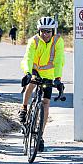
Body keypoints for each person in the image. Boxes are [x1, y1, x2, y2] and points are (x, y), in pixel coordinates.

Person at [19, 16, 65, 152]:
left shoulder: (58, 41)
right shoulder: (33, 41)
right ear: (39, 30)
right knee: (31, 84)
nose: (45, 34)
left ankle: (40, 135)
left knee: (45, 103)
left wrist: (57, 79)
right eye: (43, 31)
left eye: (48, 31)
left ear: (53, 31)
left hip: (49, 74)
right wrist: (27, 72)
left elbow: (58, 60)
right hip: (34, 69)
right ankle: (24, 108)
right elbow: (28, 57)